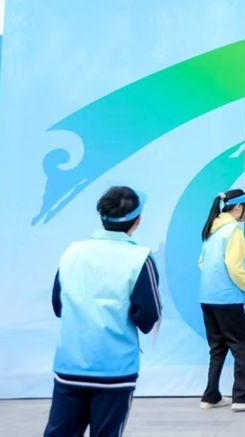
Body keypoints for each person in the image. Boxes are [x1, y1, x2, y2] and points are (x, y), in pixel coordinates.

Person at [43, 186, 161, 437]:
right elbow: (147, 317)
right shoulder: (140, 258)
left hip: (71, 366)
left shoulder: (72, 253)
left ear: (101, 216)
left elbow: (58, 306)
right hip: (115, 371)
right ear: (138, 220)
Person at [198, 189, 245, 412]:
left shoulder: (212, 230)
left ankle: (211, 396)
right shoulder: (233, 231)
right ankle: (242, 397)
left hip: (207, 297)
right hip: (228, 298)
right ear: (238, 207)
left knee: (217, 348)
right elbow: (235, 267)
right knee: (241, 347)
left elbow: (201, 263)